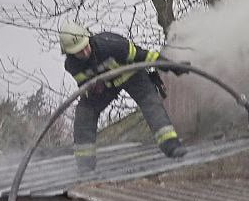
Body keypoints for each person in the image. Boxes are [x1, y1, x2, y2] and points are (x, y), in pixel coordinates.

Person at [58, 22, 187, 174]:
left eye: (86, 46)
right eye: (79, 52)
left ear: (89, 38)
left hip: (132, 76)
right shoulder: (72, 66)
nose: (85, 53)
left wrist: (171, 66)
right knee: (84, 112)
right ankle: (85, 165)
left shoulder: (111, 45)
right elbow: (84, 85)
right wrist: (92, 90)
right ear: (69, 53)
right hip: (105, 87)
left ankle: (171, 146)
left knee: (150, 103)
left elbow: (144, 56)